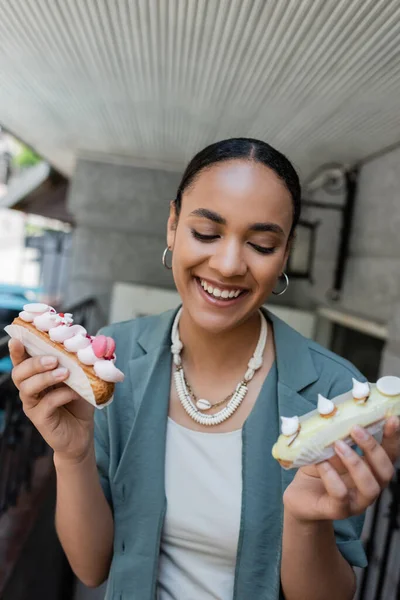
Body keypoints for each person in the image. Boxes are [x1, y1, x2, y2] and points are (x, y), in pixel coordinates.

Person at [9, 138, 400, 600]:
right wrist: (71, 455)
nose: (229, 264)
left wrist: (305, 522)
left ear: (286, 253)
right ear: (173, 225)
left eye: (261, 243)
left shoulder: (337, 393)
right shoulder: (115, 361)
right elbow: (92, 568)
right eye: (206, 234)